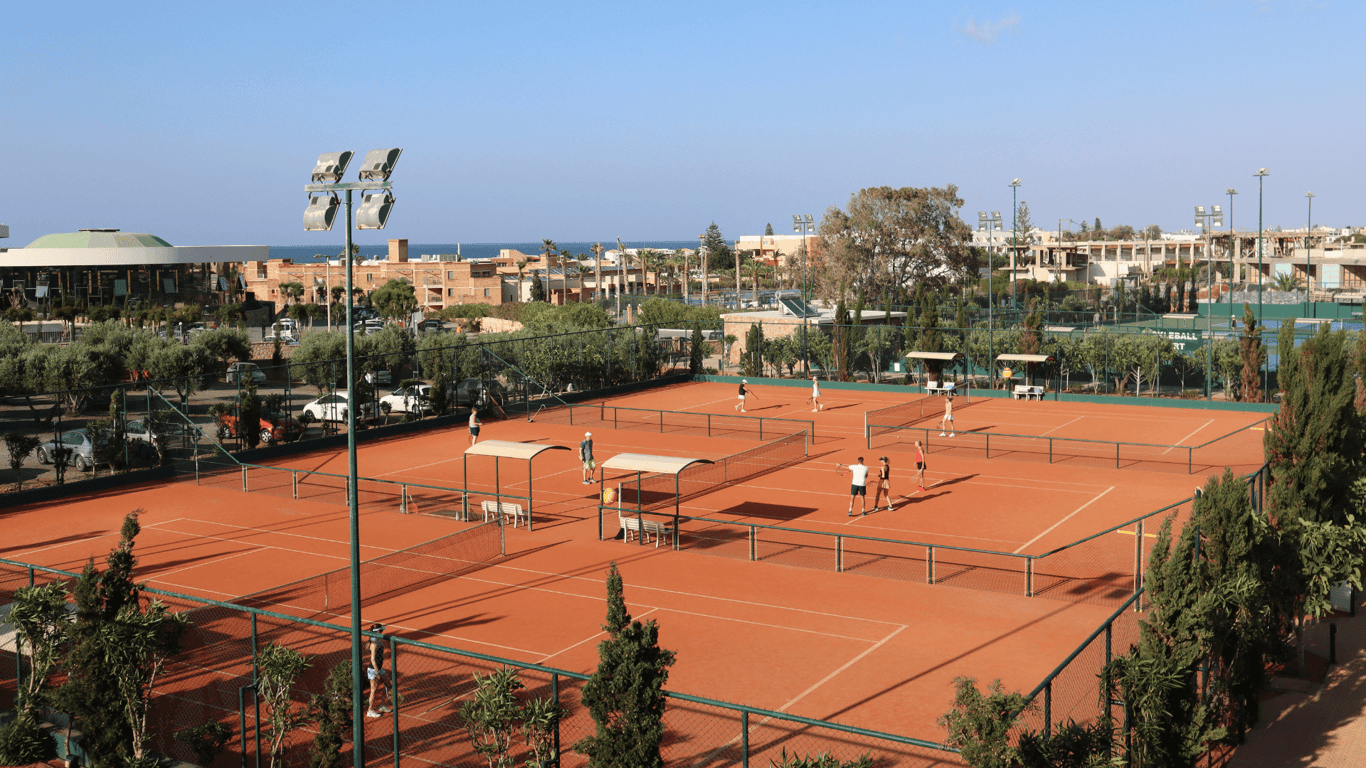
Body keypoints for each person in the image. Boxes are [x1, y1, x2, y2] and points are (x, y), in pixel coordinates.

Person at [365, 623, 393, 718]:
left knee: (388, 684)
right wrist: (377, 672)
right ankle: (370, 710)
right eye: (381, 631)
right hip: (373, 669)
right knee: (373, 690)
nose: (382, 632)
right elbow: (372, 659)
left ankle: (382, 705)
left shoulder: (377, 640)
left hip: (379, 668)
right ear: (377, 632)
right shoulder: (374, 643)